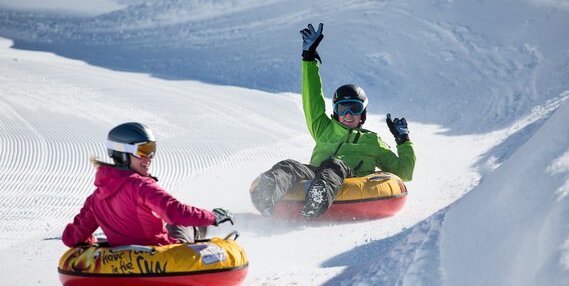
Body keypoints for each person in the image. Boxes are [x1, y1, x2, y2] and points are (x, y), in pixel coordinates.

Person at [250, 23, 416, 219]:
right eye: (341, 109)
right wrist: (309, 59)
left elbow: (404, 172)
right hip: (316, 175)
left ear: (363, 113)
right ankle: (267, 198)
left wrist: (403, 140)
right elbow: (312, 100)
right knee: (289, 165)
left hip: (349, 178)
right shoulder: (324, 128)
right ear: (335, 112)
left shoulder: (372, 141)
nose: (347, 114)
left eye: (354, 108)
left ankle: (317, 200)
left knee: (334, 164)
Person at [62, 122, 234, 248]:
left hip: (123, 262)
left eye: (152, 149)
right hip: (162, 256)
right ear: (123, 153)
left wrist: (95, 245)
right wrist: (212, 216)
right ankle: (201, 235)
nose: (149, 157)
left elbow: (71, 238)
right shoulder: (140, 185)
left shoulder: (96, 197)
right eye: (143, 150)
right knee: (181, 223)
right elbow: (174, 212)